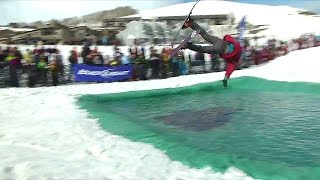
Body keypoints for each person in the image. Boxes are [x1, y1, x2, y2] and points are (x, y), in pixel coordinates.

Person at [182, 17, 242, 87]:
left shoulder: (238, 46)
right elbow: (230, 69)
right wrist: (226, 78)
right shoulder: (235, 61)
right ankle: (188, 46)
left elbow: (228, 37)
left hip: (221, 42)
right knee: (203, 49)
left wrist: (225, 39)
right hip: (220, 49)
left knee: (205, 35)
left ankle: (191, 23)